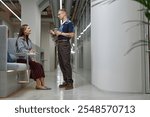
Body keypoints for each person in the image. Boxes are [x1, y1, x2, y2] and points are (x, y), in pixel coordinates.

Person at [16, 24, 51, 90]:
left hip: (27, 58)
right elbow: (21, 50)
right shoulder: (20, 39)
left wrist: (31, 52)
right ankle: (38, 85)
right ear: (24, 31)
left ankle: (43, 84)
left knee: (40, 65)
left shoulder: (28, 40)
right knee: (36, 66)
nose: (30, 29)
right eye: (28, 28)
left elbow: (29, 50)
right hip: (21, 59)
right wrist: (29, 52)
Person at [50, 9, 75, 90]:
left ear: (64, 14)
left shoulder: (69, 23)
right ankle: (66, 81)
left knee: (66, 63)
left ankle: (70, 83)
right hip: (60, 44)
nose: (58, 16)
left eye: (59, 14)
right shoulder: (62, 25)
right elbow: (59, 35)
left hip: (65, 44)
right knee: (61, 63)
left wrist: (60, 33)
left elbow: (72, 34)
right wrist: (54, 34)